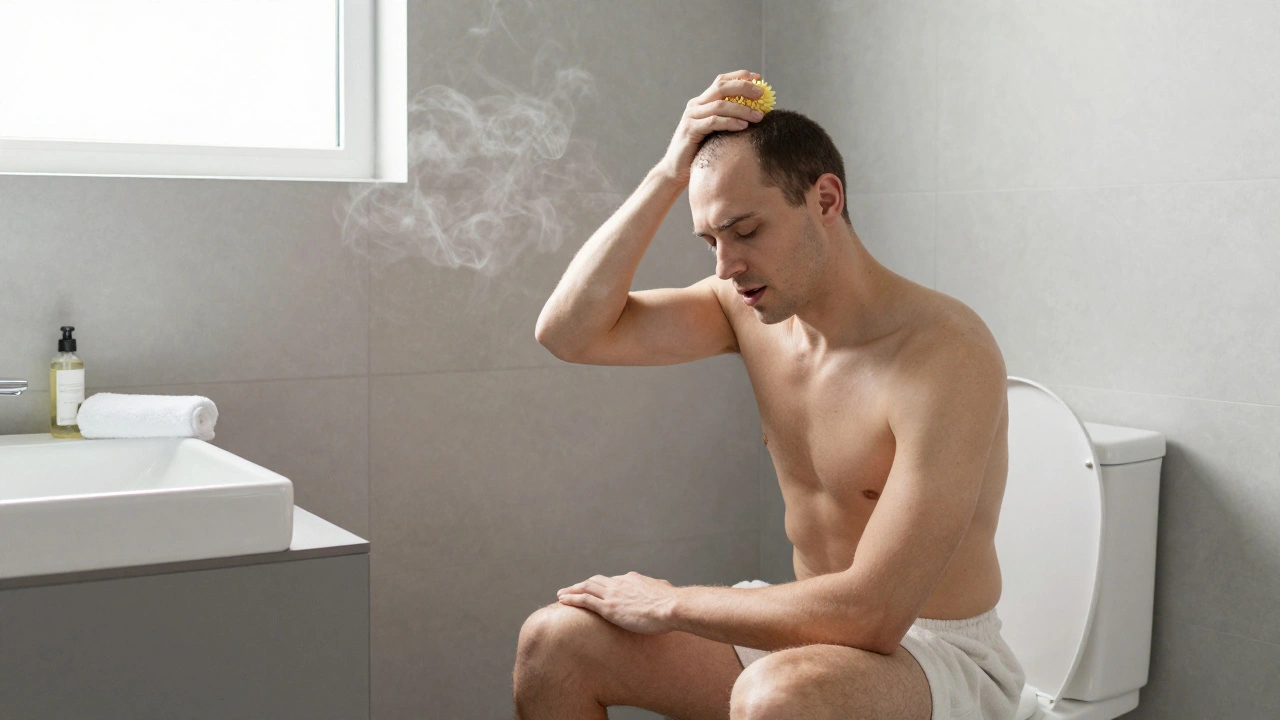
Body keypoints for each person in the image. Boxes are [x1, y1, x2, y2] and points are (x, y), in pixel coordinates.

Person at [516, 69, 1026, 720]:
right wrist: (669, 174)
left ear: (826, 199)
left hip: (935, 655)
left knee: (775, 697)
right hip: (813, 628)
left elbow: (873, 615)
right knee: (555, 643)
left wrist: (669, 603)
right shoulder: (748, 313)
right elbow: (568, 333)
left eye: (745, 230)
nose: (726, 266)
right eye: (711, 240)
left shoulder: (946, 357)